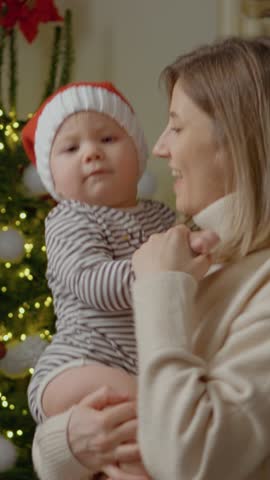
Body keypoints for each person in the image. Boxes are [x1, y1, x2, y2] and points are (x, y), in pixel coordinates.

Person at [131, 35, 270, 479]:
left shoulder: (256, 283)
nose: (159, 148)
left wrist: (159, 290)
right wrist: (68, 444)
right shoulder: (200, 262)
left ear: (235, 138)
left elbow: (189, 461)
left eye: (176, 125)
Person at [21, 81, 176, 479]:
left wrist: (198, 247)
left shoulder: (161, 217)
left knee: (134, 443)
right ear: (52, 174)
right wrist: (156, 268)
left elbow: (187, 259)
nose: (91, 152)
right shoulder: (70, 220)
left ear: (138, 153)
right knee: (152, 409)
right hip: (79, 362)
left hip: (135, 363)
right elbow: (90, 282)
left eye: (107, 138)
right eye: (71, 148)